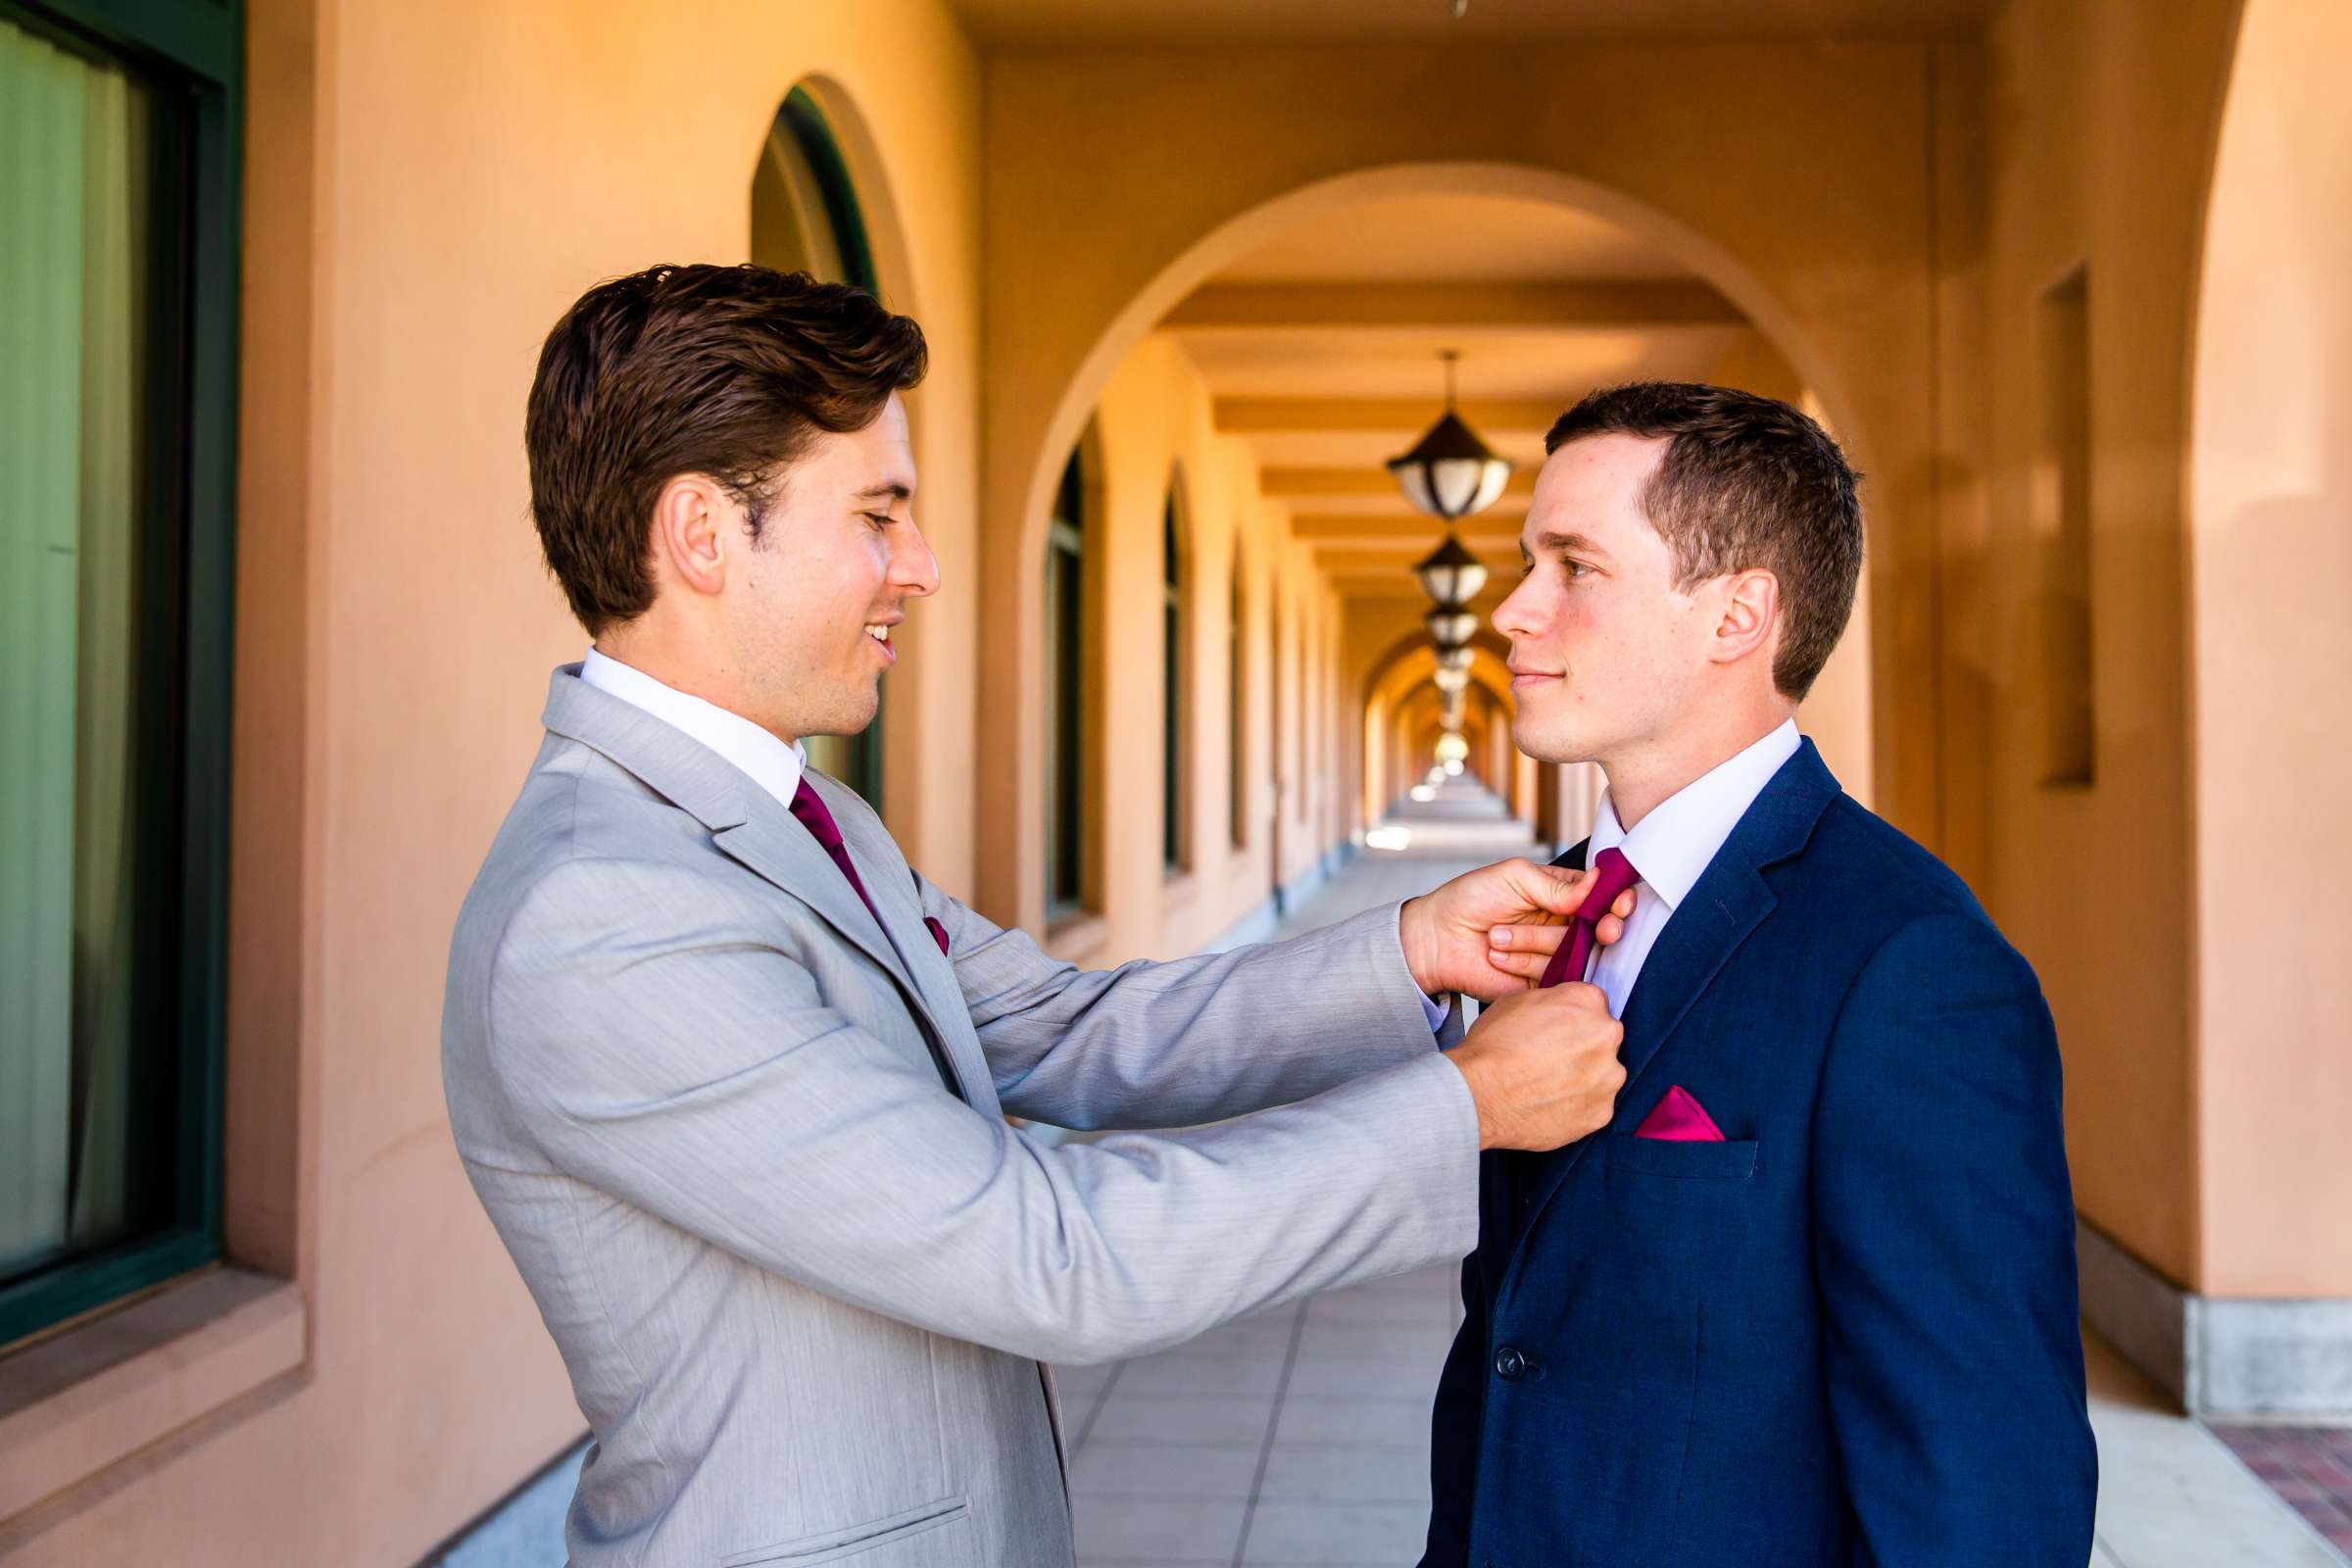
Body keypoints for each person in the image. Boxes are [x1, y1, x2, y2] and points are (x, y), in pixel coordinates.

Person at [441, 263, 1632, 1568]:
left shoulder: (778, 817)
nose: (925, 567)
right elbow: (1043, 1256)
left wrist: (1409, 950)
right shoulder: (606, 913)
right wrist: (1465, 1110)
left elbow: (1066, 1030)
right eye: (880, 515)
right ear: (703, 535)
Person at [1423, 382, 2097, 1566]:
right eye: (1529, 562)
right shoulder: (1548, 909)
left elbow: (1982, 1476)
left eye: (1575, 567)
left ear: (1738, 615)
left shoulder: (1913, 968)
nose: (1516, 612)